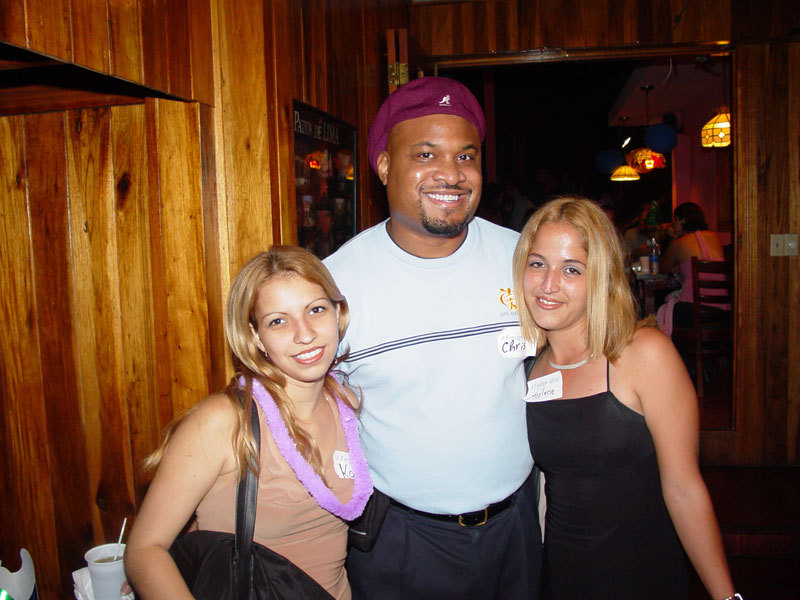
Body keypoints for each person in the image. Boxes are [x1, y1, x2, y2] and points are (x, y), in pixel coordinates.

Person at [324, 77, 541, 600]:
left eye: (466, 156)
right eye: (426, 153)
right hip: (402, 541)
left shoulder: (527, 262)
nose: (451, 173)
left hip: (516, 527)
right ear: (383, 166)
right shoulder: (331, 286)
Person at [514, 196, 738, 600]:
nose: (548, 284)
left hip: (644, 577)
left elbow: (685, 490)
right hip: (562, 580)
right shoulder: (531, 370)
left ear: (600, 276)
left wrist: (727, 598)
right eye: (537, 263)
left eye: (571, 269)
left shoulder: (642, 353)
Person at [125, 247, 372, 600]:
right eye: (278, 320)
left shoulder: (344, 402)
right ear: (255, 336)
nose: (305, 334)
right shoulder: (224, 422)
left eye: (315, 310)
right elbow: (144, 551)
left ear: (338, 313)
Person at [657, 201, 728, 337]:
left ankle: (680, 355)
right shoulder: (714, 237)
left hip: (694, 309)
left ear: (682, 220)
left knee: (662, 312)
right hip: (722, 309)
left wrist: (671, 239)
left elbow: (663, 268)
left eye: (675, 220)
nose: (674, 225)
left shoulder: (679, 243)